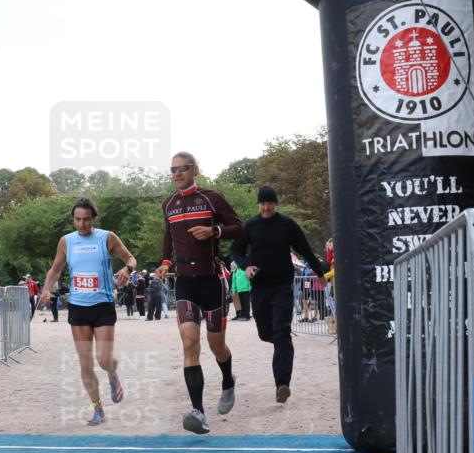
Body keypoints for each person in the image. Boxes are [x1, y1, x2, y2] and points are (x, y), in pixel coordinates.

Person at [155, 151, 244, 434]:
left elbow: (239, 228)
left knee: (217, 345)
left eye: (183, 168)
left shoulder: (211, 198)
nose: (177, 173)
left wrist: (214, 231)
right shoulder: (168, 203)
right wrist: (165, 261)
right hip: (184, 282)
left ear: (195, 169)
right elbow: (169, 236)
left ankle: (228, 381)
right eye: (173, 169)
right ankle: (199, 412)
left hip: (211, 280)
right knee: (190, 345)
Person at [39, 197, 137, 426]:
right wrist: (45, 289)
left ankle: (113, 376)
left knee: (103, 359)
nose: (82, 224)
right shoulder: (66, 241)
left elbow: (130, 257)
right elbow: (55, 269)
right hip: (78, 308)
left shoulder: (107, 237)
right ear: (73, 219)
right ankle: (98, 409)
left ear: (93, 219)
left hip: (102, 305)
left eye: (86, 220)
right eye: (77, 219)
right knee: (85, 363)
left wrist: (127, 268)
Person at [231, 185, 325, 403]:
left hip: (282, 287)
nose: (266, 207)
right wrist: (246, 265)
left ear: (276, 204)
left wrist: (320, 273)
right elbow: (236, 251)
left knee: (282, 333)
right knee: (267, 334)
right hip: (260, 288)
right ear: (259, 205)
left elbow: (305, 250)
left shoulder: (287, 224)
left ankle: (282, 384)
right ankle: (282, 349)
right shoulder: (251, 226)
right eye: (263, 203)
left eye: (270, 203)